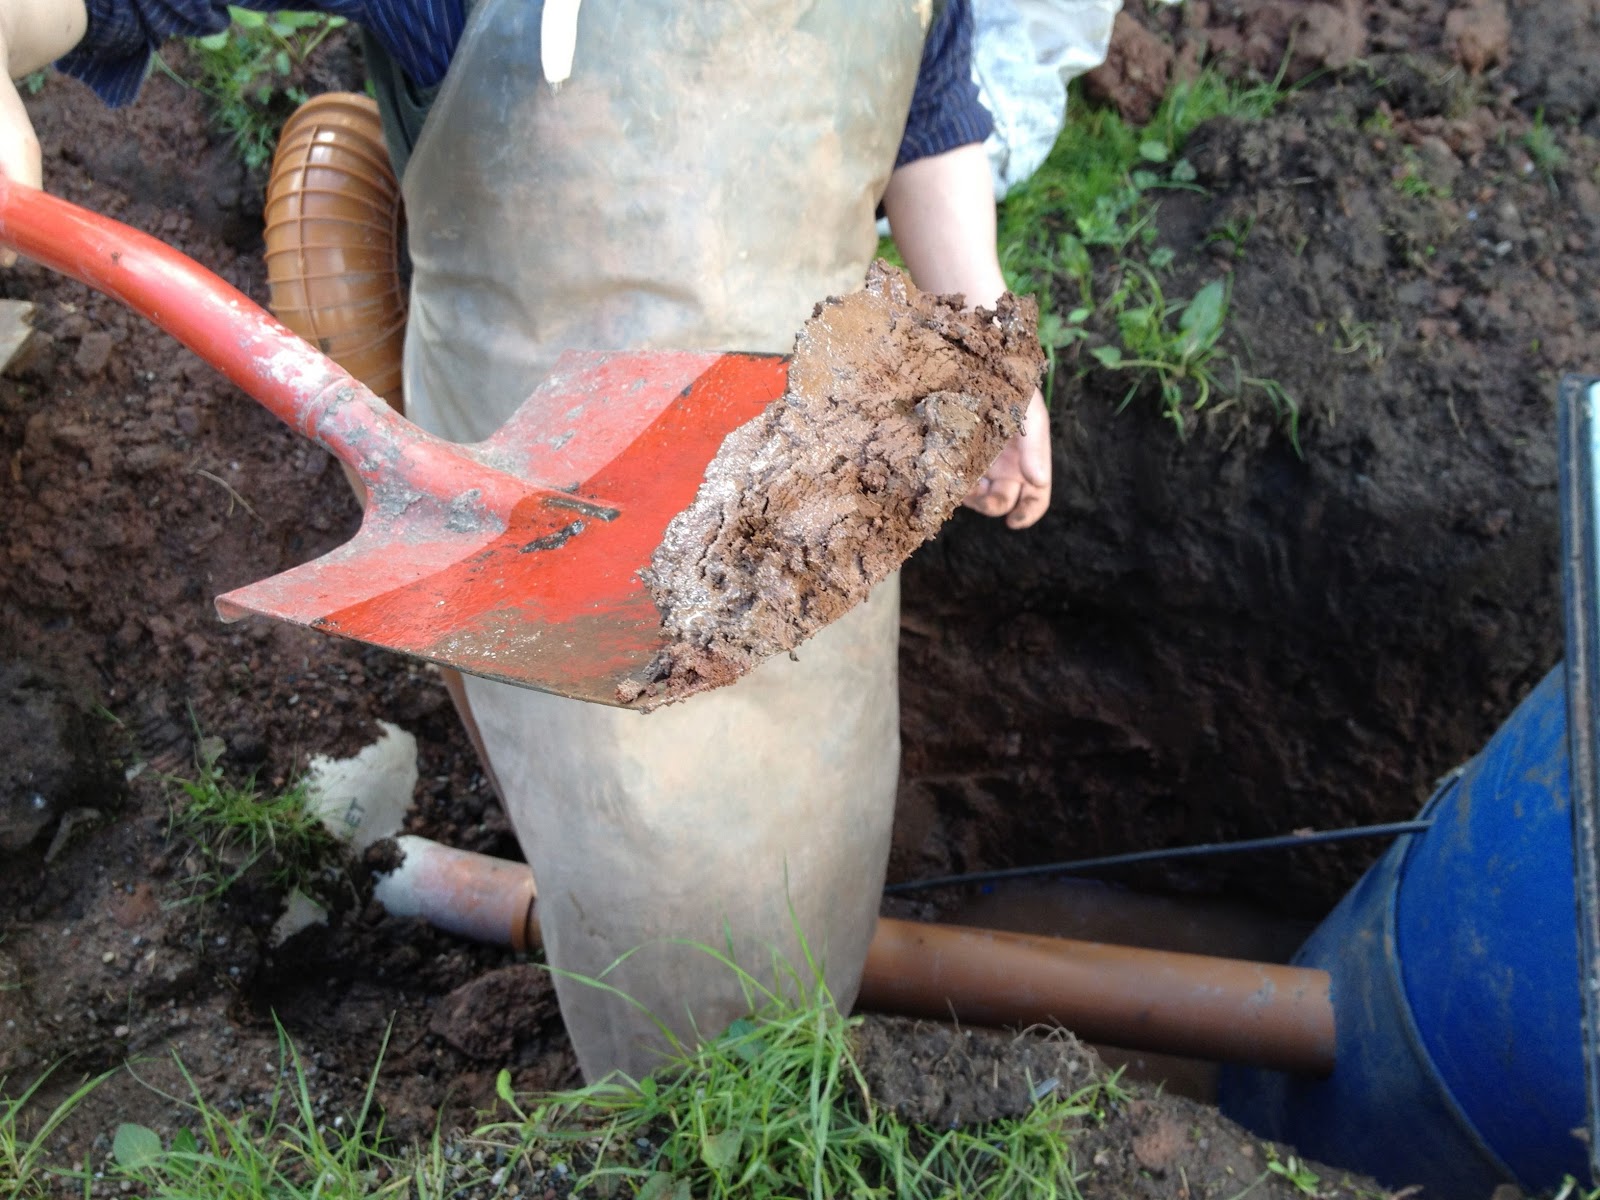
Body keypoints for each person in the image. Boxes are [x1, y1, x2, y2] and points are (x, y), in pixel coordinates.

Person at [2, 0, 1053, 1081]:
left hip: (812, 484)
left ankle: (799, 1071)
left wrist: (978, 324)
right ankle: (683, 1123)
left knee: (818, 859)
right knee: (666, 935)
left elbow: (921, 101)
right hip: (556, 527)